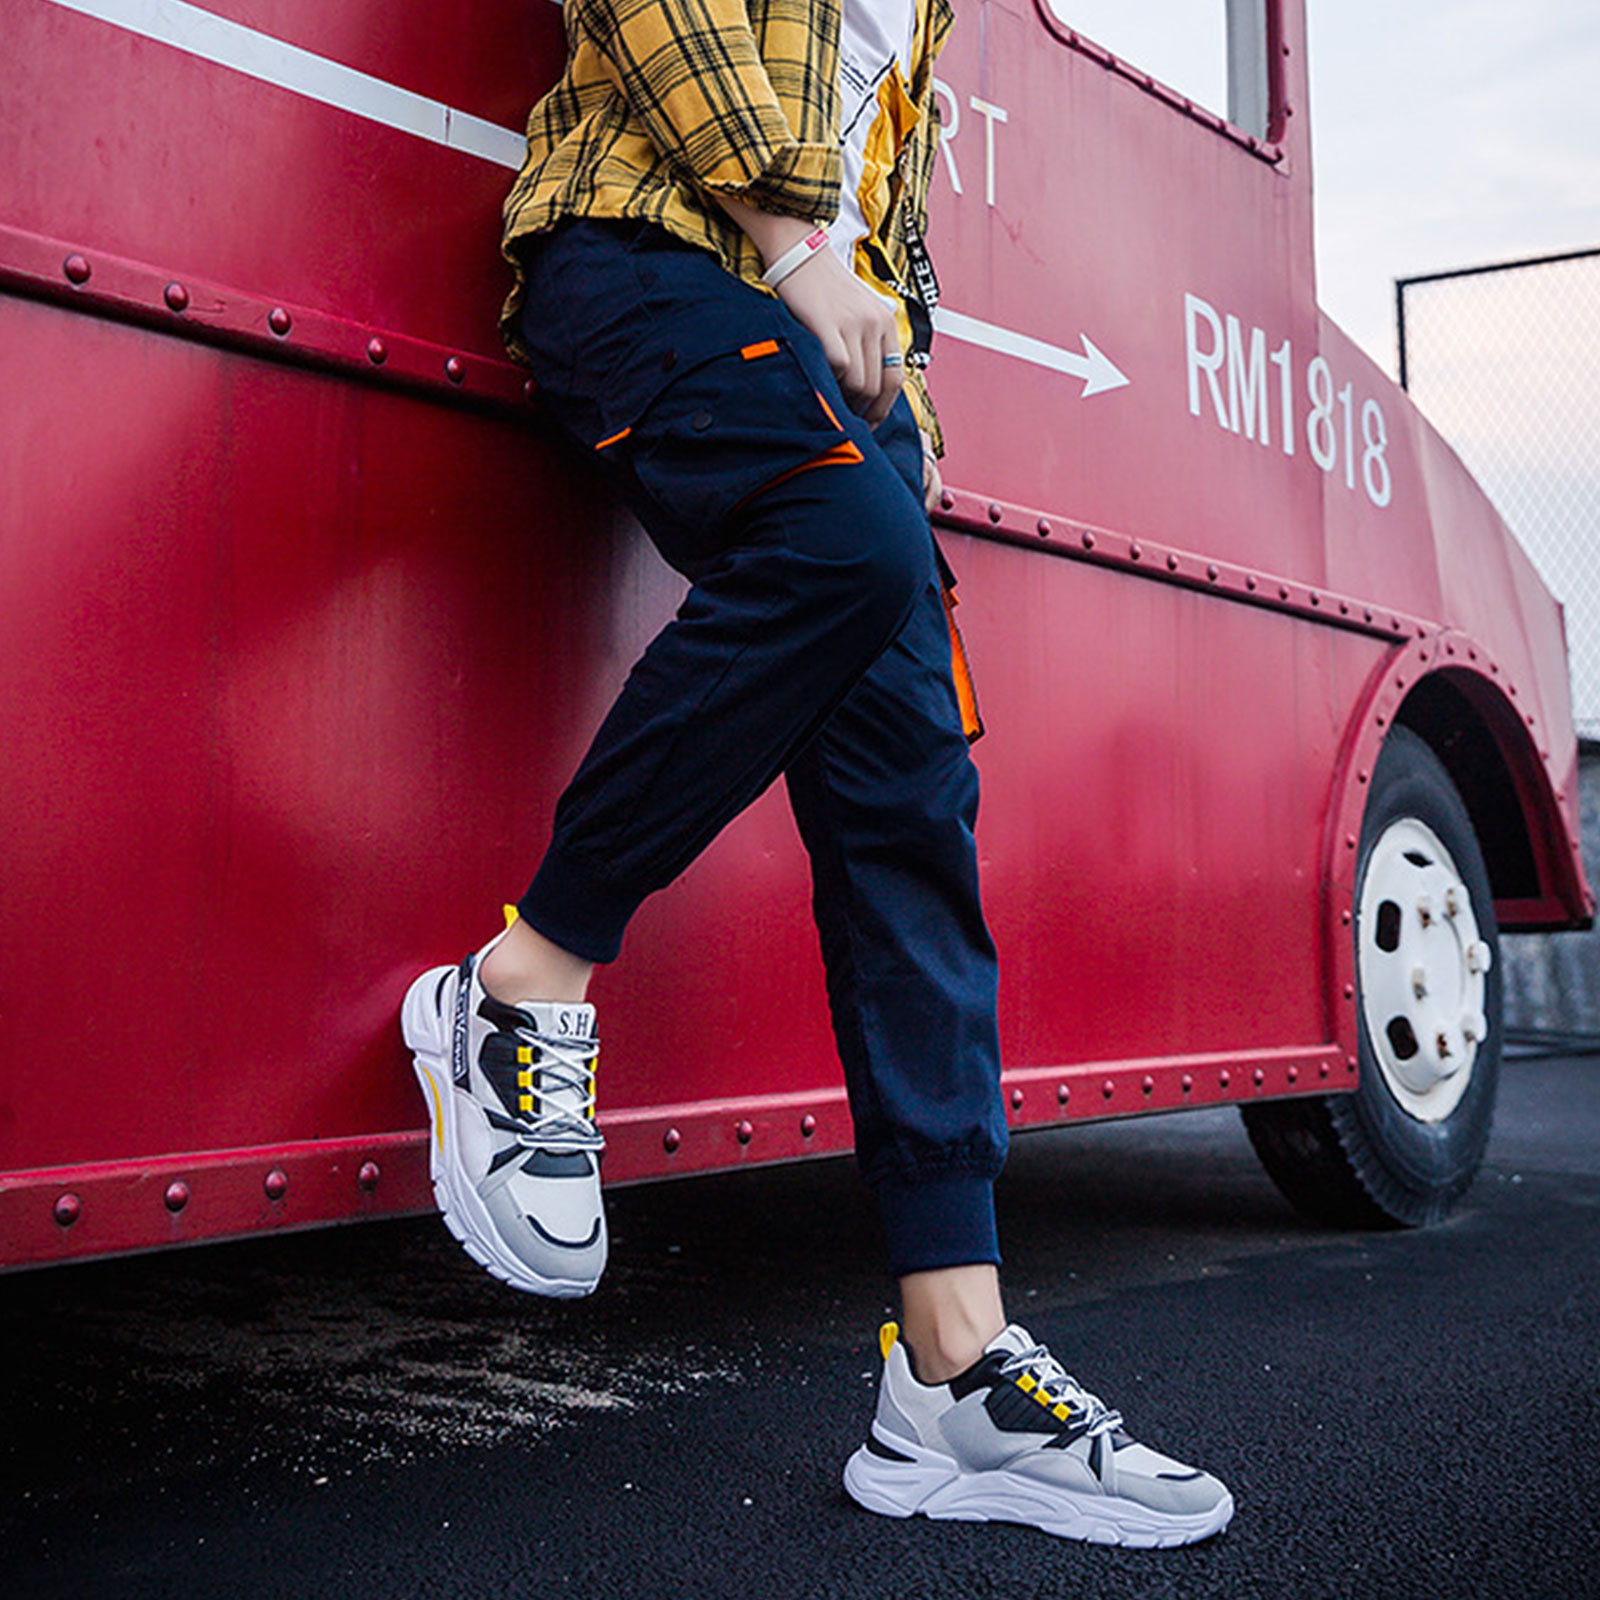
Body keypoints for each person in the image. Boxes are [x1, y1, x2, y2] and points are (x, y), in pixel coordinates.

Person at [401, 0, 1234, 1548]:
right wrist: (795, 247)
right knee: (845, 548)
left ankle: (954, 1373)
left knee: (912, 804)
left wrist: (896, 375)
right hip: (649, 262)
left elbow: (877, 178)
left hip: (824, 348)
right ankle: (522, 978)